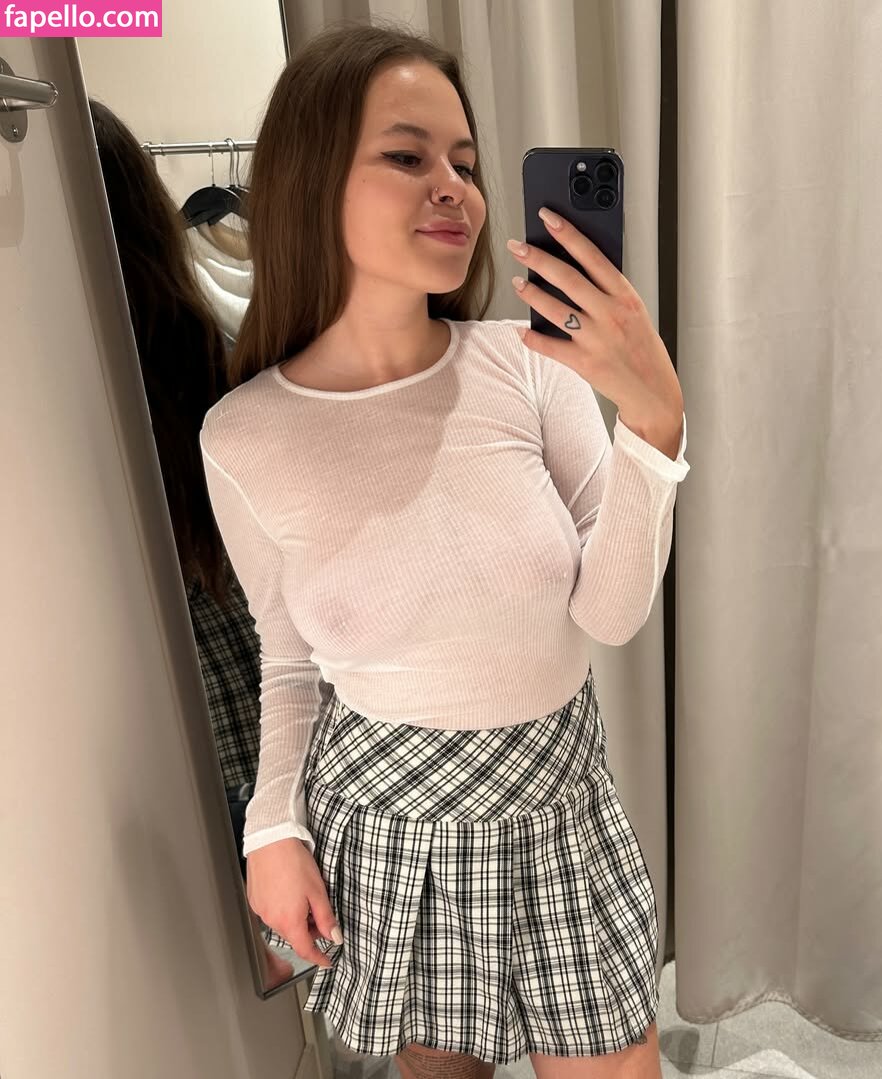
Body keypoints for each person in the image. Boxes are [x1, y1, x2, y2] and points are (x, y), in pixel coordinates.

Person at [198, 22, 689, 1079]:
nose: (455, 189)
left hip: (559, 803)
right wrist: (271, 828)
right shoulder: (244, 437)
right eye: (408, 154)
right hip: (392, 824)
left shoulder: (529, 364)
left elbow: (609, 618)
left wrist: (653, 429)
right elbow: (288, 657)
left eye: (466, 163)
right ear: (311, 177)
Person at [89, 98, 296, 990]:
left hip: (158, 695)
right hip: (241, 675)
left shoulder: (169, 356)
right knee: (275, 949)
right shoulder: (206, 348)